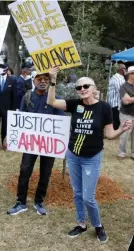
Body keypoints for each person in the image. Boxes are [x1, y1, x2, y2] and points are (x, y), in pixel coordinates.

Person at [47, 68, 133, 243]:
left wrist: (121, 130)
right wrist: (53, 79)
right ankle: (81, 223)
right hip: (73, 155)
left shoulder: (104, 107)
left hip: (92, 158)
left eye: (86, 85)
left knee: (88, 197)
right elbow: (52, 101)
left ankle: (98, 225)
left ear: (94, 88)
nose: (82, 89)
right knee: (77, 193)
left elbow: (108, 134)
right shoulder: (74, 104)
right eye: (79, 87)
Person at [7, 72, 64, 216]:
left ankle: (39, 201)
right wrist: (10, 135)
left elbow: (60, 121)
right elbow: (20, 118)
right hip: (30, 143)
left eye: (46, 79)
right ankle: (21, 202)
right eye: (40, 79)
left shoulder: (55, 98)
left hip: (48, 144)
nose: (43, 81)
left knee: (46, 173)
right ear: (34, 80)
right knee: (25, 170)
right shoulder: (27, 97)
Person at [0, 64, 17, 149]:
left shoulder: (12, 80)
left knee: (5, 126)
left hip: (7, 107)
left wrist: (13, 109)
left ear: (6, 70)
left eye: (1, 69)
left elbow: (14, 96)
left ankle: (5, 144)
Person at [118, 66, 134, 160]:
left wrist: (130, 98)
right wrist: (129, 99)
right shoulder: (124, 86)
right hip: (126, 113)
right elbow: (125, 101)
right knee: (125, 134)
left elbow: (129, 100)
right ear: (129, 74)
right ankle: (121, 153)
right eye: (133, 73)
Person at [107, 63, 126, 130]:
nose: (125, 70)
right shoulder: (117, 78)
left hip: (116, 103)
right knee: (115, 121)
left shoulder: (120, 78)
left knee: (116, 121)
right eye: (125, 69)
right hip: (115, 103)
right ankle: (111, 134)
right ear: (122, 70)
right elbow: (121, 91)